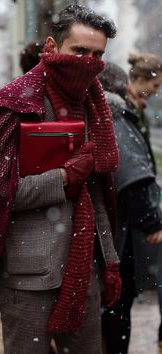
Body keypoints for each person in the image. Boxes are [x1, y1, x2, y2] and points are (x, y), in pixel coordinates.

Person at [0, 5, 121, 353]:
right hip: (30, 276)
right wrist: (65, 177)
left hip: (85, 270)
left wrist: (109, 260)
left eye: (97, 55)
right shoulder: (15, 104)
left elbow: (97, 197)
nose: (88, 62)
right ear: (52, 46)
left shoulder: (95, 106)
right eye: (79, 51)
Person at [99, 57, 162, 354]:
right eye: (156, 84)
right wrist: (151, 221)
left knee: (114, 306)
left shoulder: (110, 117)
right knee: (116, 309)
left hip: (108, 230)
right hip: (118, 232)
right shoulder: (116, 119)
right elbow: (133, 177)